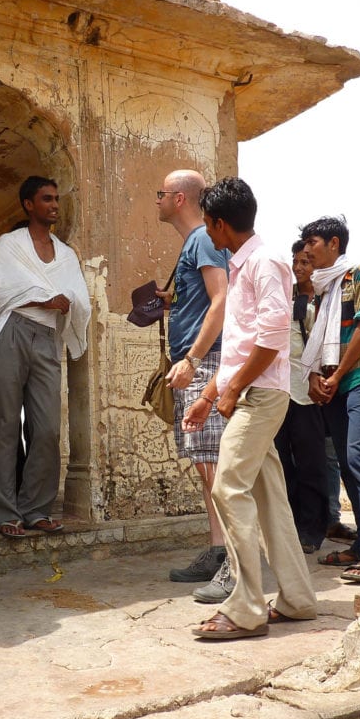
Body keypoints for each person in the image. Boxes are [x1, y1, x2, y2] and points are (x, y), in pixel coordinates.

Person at [184, 177, 317, 640]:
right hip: (249, 391)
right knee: (268, 496)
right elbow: (242, 345)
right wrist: (208, 397)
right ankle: (298, 598)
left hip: (260, 396)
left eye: (207, 223)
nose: (207, 231)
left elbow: (272, 338)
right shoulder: (244, 265)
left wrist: (230, 389)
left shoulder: (264, 262)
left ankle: (245, 607)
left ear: (220, 224)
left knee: (227, 488)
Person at [0, 176, 91, 537]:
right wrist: (42, 296)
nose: (54, 205)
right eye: (46, 199)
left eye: (56, 199)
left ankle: (37, 508)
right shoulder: (10, 244)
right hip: (12, 330)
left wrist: (62, 300)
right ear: (28, 204)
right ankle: (2, 513)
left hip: (48, 337)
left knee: (48, 426)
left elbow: (79, 296)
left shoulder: (66, 254)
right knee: (2, 422)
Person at [153, 169, 232, 601]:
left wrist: (193, 358)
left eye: (161, 194)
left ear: (180, 199)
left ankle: (234, 564)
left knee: (215, 469)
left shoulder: (202, 238)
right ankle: (219, 551)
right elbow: (205, 297)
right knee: (206, 467)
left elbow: (222, 299)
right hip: (199, 363)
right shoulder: (196, 242)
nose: (157, 200)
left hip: (205, 365)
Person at [302, 216, 360, 584]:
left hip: (359, 379)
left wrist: (337, 375)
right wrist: (313, 377)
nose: (307, 249)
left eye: (313, 242)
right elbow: (313, 338)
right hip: (333, 385)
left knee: (359, 457)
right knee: (348, 462)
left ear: (334, 243)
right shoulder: (323, 287)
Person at [273, 239, 330, 554]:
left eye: (306, 262)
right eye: (296, 262)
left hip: (308, 392)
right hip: (282, 389)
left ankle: (313, 528)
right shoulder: (285, 296)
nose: (299, 268)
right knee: (283, 463)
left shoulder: (324, 300)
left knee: (312, 464)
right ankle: (292, 525)